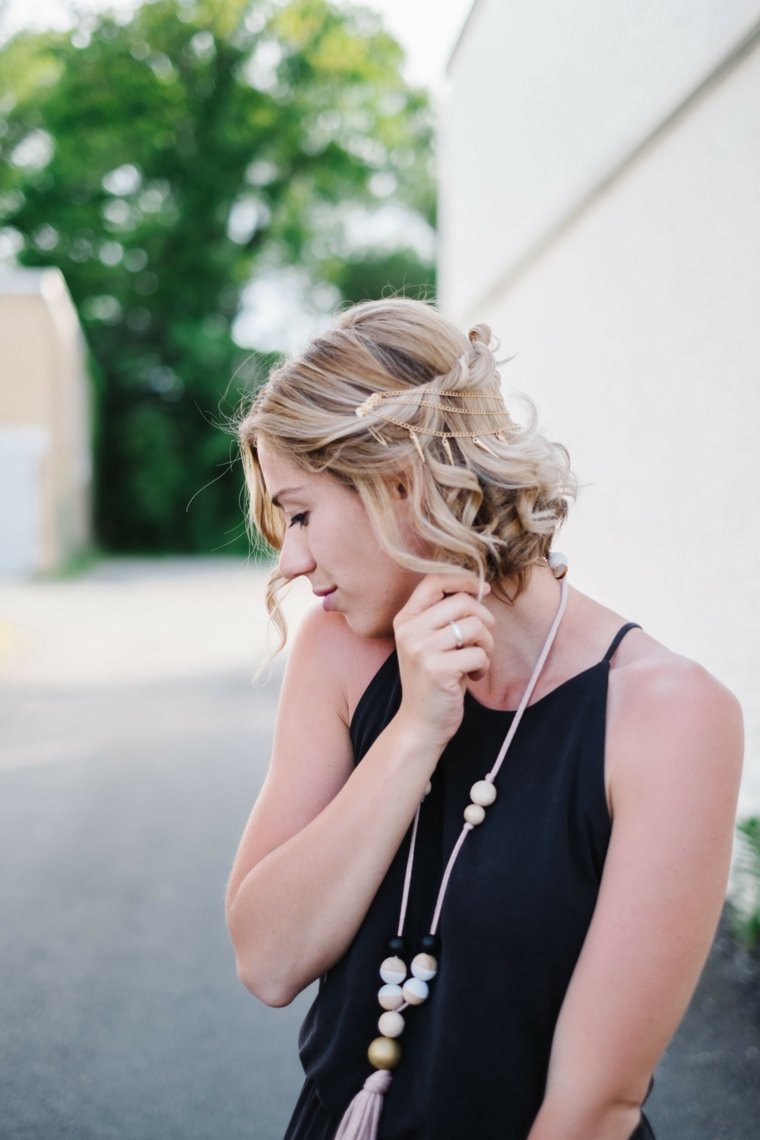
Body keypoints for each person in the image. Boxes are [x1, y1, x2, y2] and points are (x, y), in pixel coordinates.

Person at [226, 298, 743, 1140]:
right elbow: (268, 958)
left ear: (400, 482)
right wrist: (415, 732)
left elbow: (595, 1105)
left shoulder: (670, 719)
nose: (290, 560)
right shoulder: (340, 652)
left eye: (302, 512)